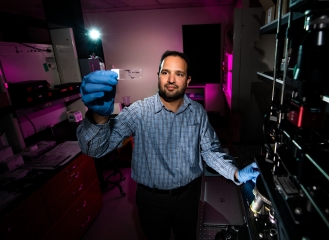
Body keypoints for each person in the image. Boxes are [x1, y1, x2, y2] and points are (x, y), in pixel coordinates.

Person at [76, 50, 259, 240]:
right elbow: (95, 149)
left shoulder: (198, 112)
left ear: (188, 80)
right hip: (152, 201)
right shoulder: (139, 111)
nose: (171, 79)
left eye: (178, 74)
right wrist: (98, 116)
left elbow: (210, 151)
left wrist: (236, 173)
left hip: (189, 196)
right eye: (165, 72)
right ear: (158, 76)